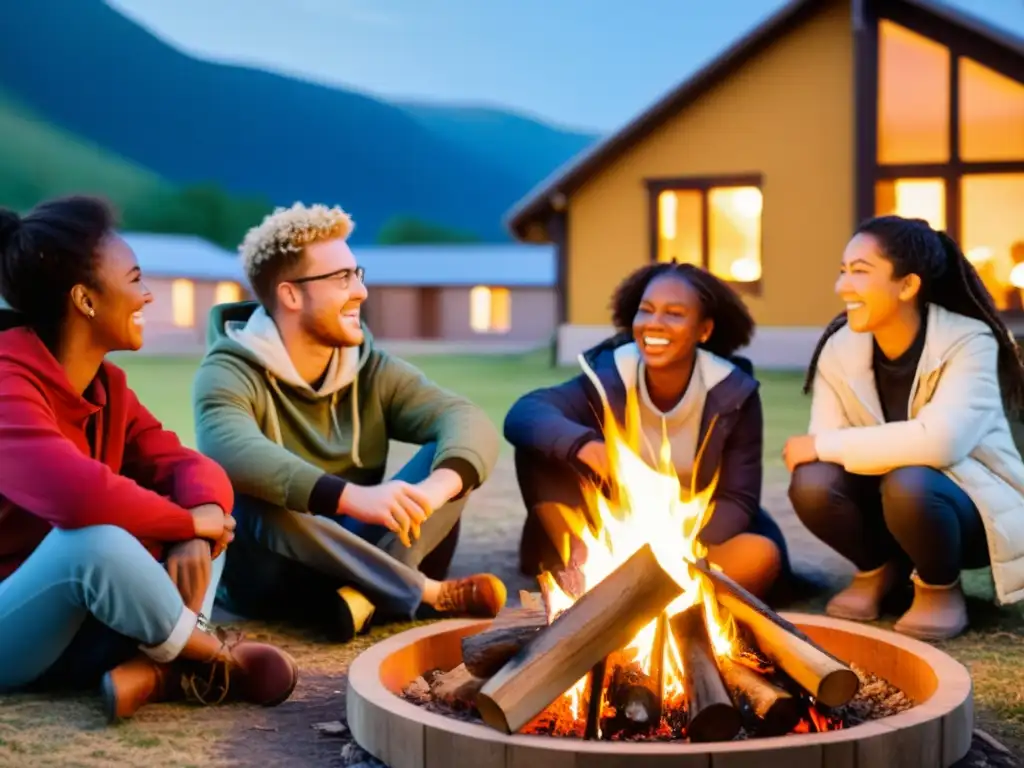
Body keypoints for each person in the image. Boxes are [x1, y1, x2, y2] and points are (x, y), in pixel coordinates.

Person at [0, 196, 298, 722]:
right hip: (14, 628)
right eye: (135, 279)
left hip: (75, 626)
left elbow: (190, 466)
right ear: (85, 301)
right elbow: (77, 495)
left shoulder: (106, 387)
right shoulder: (7, 378)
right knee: (93, 542)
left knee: (209, 530)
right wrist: (184, 521)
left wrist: (193, 527)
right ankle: (212, 657)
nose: (147, 295)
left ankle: (160, 668)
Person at [192, 203, 507, 642]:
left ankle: (360, 598)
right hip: (272, 570)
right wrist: (352, 498)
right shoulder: (227, 369)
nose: (360, 292)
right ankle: (424, 592)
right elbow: (228, 447)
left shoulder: (371, 368)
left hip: (358, 545)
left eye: (357, 274)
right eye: (341, 278)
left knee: (453, 459)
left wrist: (431, 492)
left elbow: (466, 418)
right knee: (255, 499)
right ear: (290, 295)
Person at [785, 215, 1024, 641]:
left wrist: (823, 443)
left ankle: (938, 587)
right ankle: (878, 571)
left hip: (965, 511)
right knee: (812, 483)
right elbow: (825, 444)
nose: (843, 287)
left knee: (910, 481)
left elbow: (941, 442)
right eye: (843, 271)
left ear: (908, 285)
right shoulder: (839, 348)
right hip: (888, 504)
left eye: (860, 272)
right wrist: (823, 446)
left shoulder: (970, 340)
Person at [504, 261, 789, 599]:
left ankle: (660, 590)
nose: (654, 323)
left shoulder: (732, 393)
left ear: (704, 330)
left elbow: (738, 501)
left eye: (674, 314)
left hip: (692, 541)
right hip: (612, 531)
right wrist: (587, 446)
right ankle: (581, 570)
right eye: (646, 310)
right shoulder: (610, 376)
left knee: (759, 557)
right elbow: (526, 413)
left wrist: (671, 540)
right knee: (540, 447)